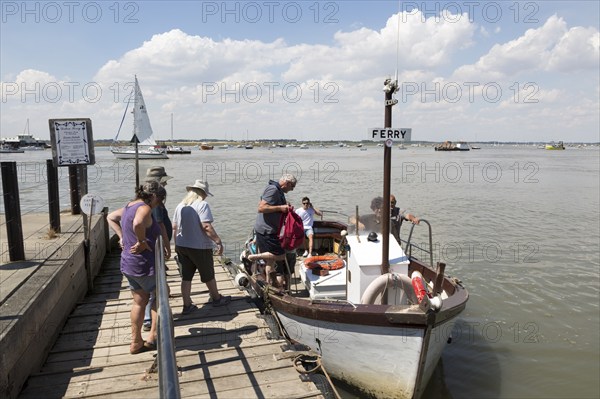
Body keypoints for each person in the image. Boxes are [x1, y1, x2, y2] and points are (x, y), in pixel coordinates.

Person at [107, 180, 166, 354]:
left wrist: (122, 237)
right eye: (160, 200)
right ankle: (153, 337)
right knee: (161, 296)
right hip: (144, 264)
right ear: (154, 196)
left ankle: (135, 342)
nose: (159, 204)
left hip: (129, 263)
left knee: (139, 300)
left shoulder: (128, 206)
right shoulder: (144, 208)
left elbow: (110, 216)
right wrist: (141, 241)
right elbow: (138, 223)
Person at [172, 180, 230, 313]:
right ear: (202, 193)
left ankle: (187, 305)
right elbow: (206, 226)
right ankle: (216, 298)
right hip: (199, 246)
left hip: (182, 245)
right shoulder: (202, 205)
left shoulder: (180, 205)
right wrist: (218, 241)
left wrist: (176, 245)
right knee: (208, 274)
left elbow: (174, 227)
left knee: (186, 277)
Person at [248, 174, 297, 287]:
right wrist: (280, 208)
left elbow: (271, 205)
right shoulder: (273, 189)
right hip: (267, 231)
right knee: (280, 255)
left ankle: (270, 283)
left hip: (270, 230)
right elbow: (261, 208)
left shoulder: (278, 191)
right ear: (287, 183)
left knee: (270, 262)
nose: (292, 189)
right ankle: (255, 257)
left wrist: (284, 206)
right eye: (292, 186)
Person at [142, 166, 173, 332]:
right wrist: (167, 248)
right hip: (156, 247)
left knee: (150, 287)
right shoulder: (157, 203)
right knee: (155, 287)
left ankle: (149, 317)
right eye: (165, 181)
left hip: (150, 247)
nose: (166, 184)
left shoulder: (144, 199)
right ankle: (150, 321)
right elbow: (161, 226)